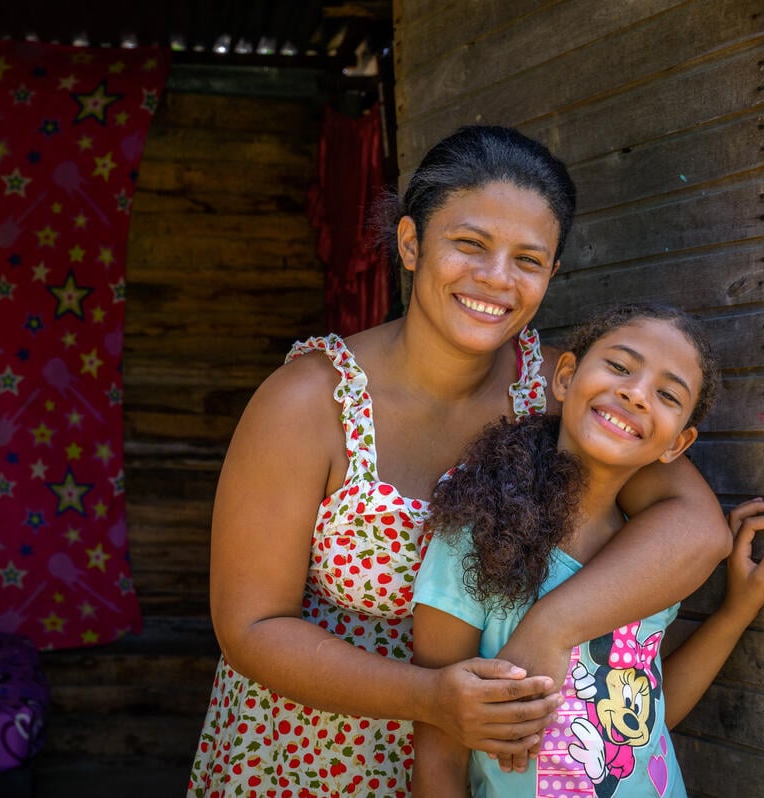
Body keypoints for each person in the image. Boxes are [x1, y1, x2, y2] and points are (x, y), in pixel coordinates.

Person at [188, 126, 733, 797]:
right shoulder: (308, 402)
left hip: (490, 769)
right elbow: (250, 627)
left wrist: (552, 626)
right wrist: (432, 698)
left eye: (528, 261)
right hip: (314, 755)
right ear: (412, 243)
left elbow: (698, 528)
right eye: (470, 245)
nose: (496, 280)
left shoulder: (559, 393)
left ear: (553, 273)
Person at [410, 303, 764, 797]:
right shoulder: (476, 536)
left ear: (678, 443)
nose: (635, 393)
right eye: (618, 366)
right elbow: (438, 754)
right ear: (565, 377)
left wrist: (732, 616)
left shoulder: (653, 562)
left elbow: (644, 721)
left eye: (667, 395)